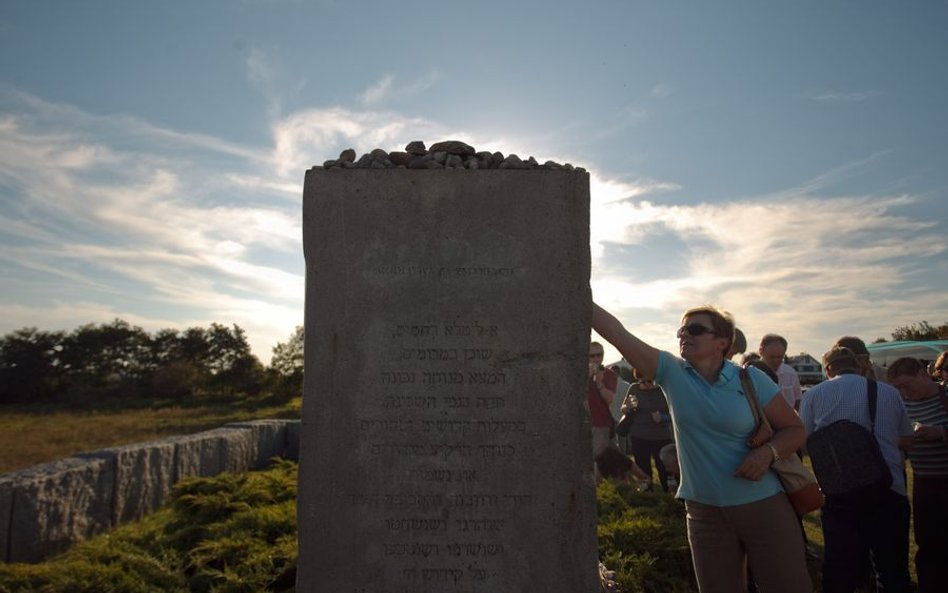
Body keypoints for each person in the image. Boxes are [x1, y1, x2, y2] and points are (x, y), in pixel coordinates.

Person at [592, 303, 811, 593]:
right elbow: (618, 334)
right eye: (682, 329)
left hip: (764, 506)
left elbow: (795, 430)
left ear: (723, 341)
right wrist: (577, 289)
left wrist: (766, 453)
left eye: (695, 329)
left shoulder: (750, 379)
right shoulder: (671, 372)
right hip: (704, 513)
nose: (684, 334)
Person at [799, 347, 913, 593]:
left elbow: (804, 440)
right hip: (888, 488)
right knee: (892, 569)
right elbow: (906, 439)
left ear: (828, 370)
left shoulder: (815, 394)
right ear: (859, 366)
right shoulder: (889, 392)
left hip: (839, 494)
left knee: (839, 570)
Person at [885, 357, 948, 593]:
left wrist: (941, 432)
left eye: (907, 385)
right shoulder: (902, 404)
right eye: (898, 388)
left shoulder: (945, 395)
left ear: (923, 374)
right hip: (924, 482)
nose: (903, 392)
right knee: (928, 543)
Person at [622, 368, 673, 492]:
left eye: (649, 381)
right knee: (643, 468)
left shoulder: (664, 389)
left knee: (665, 469)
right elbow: (623, 408)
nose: (646, 385)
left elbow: (675, 413)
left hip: (661, 436)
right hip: (638, 435)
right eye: (642, 382)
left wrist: (663, 417)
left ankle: (670, 493)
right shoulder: (634, 388)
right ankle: (647, 494)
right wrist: (627, 407)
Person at [587, 341, 617, 458]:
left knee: (598, 460)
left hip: (600, 423)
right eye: (592, 355)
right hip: (580, 422)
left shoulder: (610, 374)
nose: (596, 358)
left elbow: (610, 399)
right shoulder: (579, 373)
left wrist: (599, 383)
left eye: (599, 355)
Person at [759, 334, 803, 411]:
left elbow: (798, 402)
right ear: (761, 352)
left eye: (780, 357)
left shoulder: (791, 373)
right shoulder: (750, 373)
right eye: (772, 357)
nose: (776, 361)